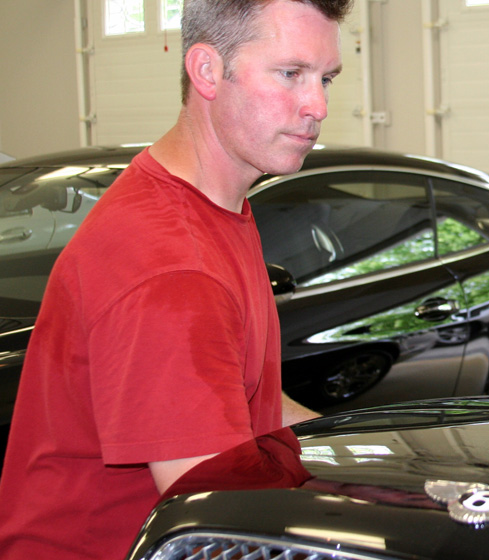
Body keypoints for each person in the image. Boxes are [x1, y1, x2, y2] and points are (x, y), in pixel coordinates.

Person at [0, 0, 353, 558]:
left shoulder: (212, 207)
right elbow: (224, 516)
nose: (317, 106)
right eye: (291, 74)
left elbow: (246, 402)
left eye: (326, 79)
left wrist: (362, 456)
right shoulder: (170, 262)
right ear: (207, 71)